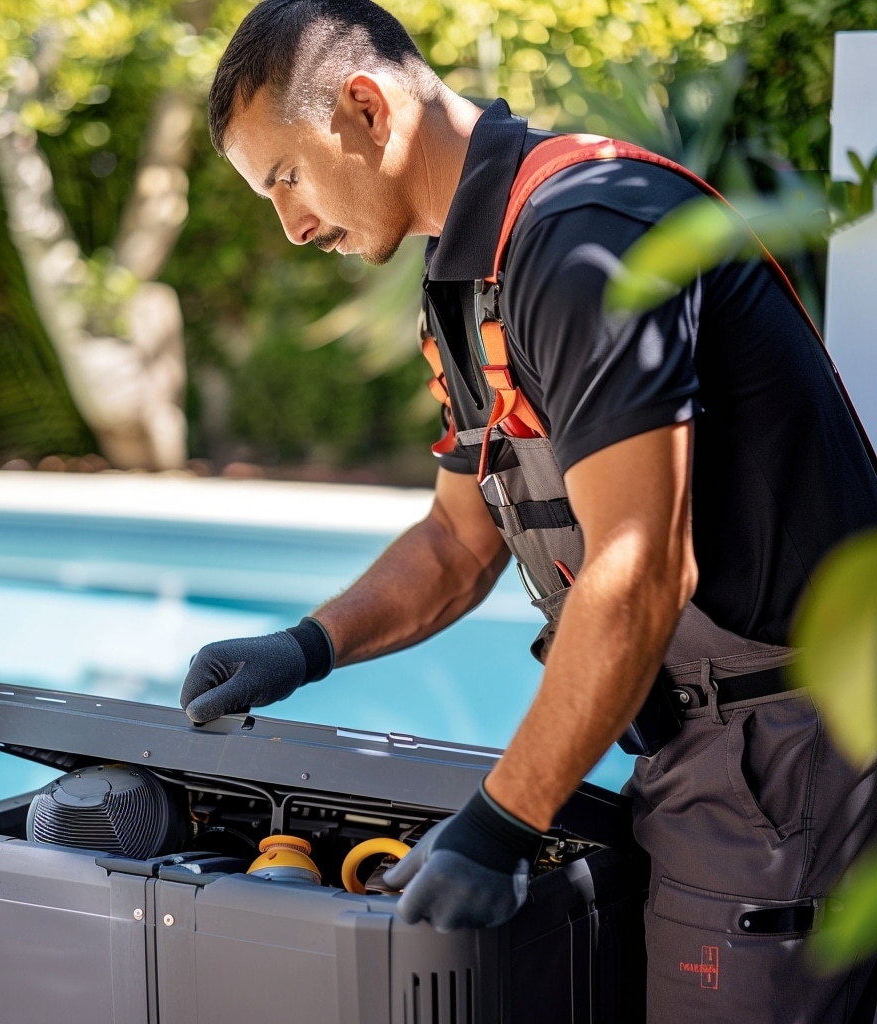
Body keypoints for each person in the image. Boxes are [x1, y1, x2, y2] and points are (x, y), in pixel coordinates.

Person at [180, 1, 877, 1020]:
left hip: (790, 757)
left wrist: (502, 820)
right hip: (701, 751)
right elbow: (458, 540)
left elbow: (640, 567)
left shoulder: (584, 233)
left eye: (283, 177)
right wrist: (304, 646)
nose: (288, 225)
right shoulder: (468, 276)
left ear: (364, 109)